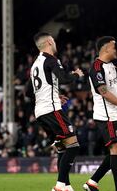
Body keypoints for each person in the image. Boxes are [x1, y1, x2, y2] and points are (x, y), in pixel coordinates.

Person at [28, 32, 84, 191]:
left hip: (40, 112)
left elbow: (27, 92)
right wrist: (76, 74)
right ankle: (59, 186)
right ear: (48, 42)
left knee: (62, 147)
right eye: (52, 39)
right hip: (52, 110)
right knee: (73, 146)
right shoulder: (51, 60)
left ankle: (66, 185)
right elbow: (65, 78)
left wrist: (52, 94)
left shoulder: (35, 66)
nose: (55, 42)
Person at [83, 36, 117, 191]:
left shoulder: (112, 66)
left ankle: (92, 182)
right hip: (106, 115)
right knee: (116, 149)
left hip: (115, 114)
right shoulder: (96, 67)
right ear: (106, 48)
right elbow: (104, 93)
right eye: (115, 47)